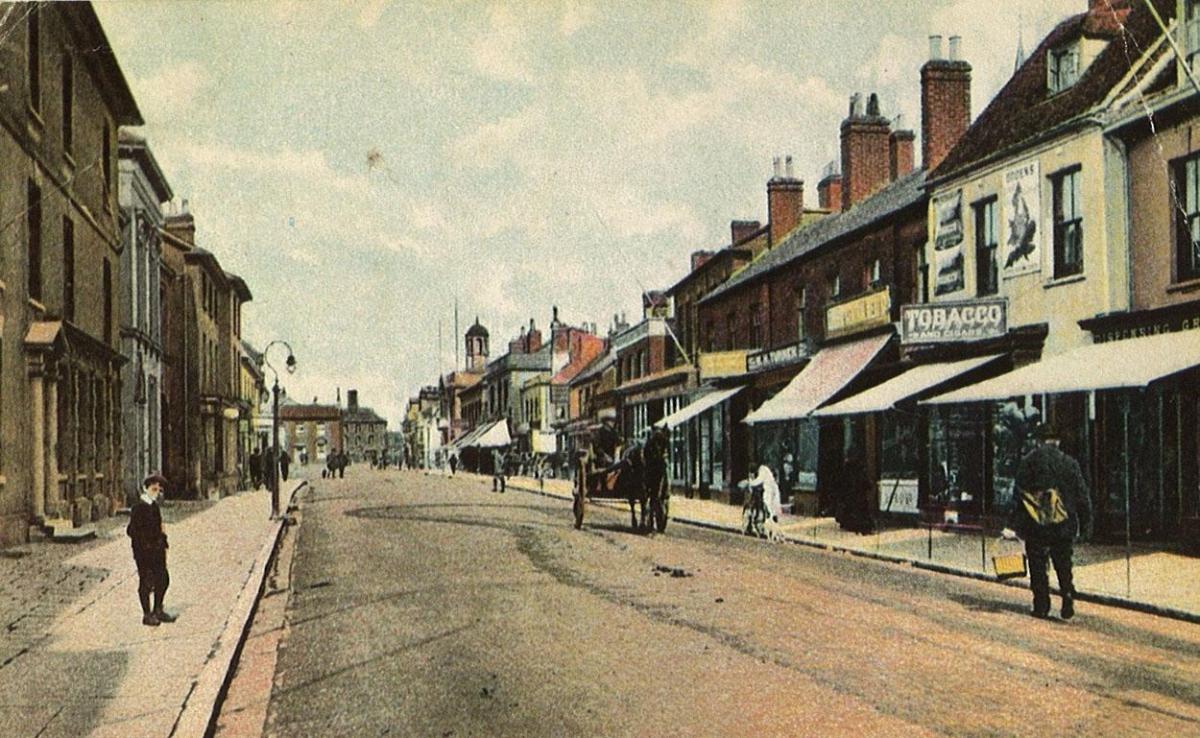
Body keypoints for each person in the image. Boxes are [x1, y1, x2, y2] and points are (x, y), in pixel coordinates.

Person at [1002, 423, 1092, 620]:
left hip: (1037, 523)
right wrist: (1086, 524)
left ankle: (1041, 604)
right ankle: (1067, 592)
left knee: (1038, 563)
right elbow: (1082, 495)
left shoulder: (1028, 462)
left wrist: (1011, 524)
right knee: (1063, 562)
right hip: (1064, 522)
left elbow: (1018, 497)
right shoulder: (1070, 463)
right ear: (1057, 441)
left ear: (1038, 440)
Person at [127, 474, 176, 626]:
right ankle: (147, 615)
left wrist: (163, 541)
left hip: (157, 551)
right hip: (144, 553)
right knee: (146, 582)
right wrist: (145, 545)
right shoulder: (139, 507)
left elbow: (159, 527)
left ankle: (158, 610)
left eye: (158, 490)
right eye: (154, 489)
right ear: (146, 489)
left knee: (163, 579)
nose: (156, 492)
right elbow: (131, 531)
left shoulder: (154, 506)